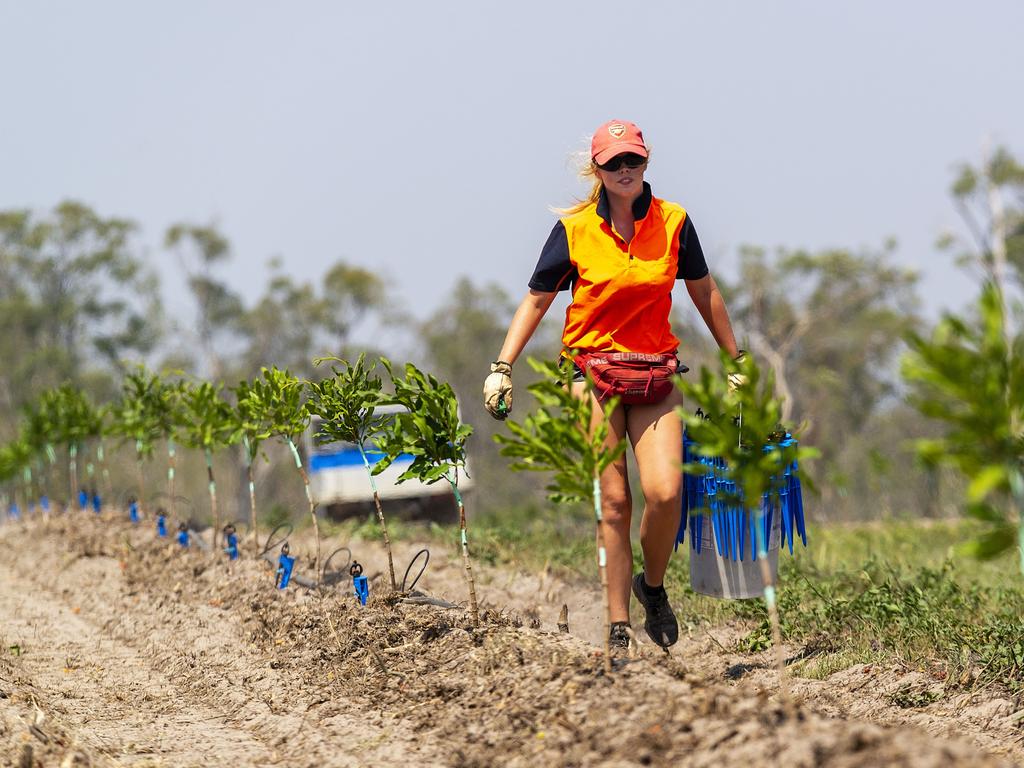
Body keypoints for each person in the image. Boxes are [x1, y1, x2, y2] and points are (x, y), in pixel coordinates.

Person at [483, 119, 743, 650]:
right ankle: (619, 624)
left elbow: (704, 292)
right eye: (614, 163)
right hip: (591, 371)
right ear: (597, 170)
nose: (625, 171)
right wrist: (503, 367)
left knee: (667, 492)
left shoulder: (674, 222)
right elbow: (537, 300)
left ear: (646, 162)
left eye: (634, 161)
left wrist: (737, 360)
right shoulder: (575, 229)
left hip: (655, 370)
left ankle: (653, 588)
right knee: (615, 500)